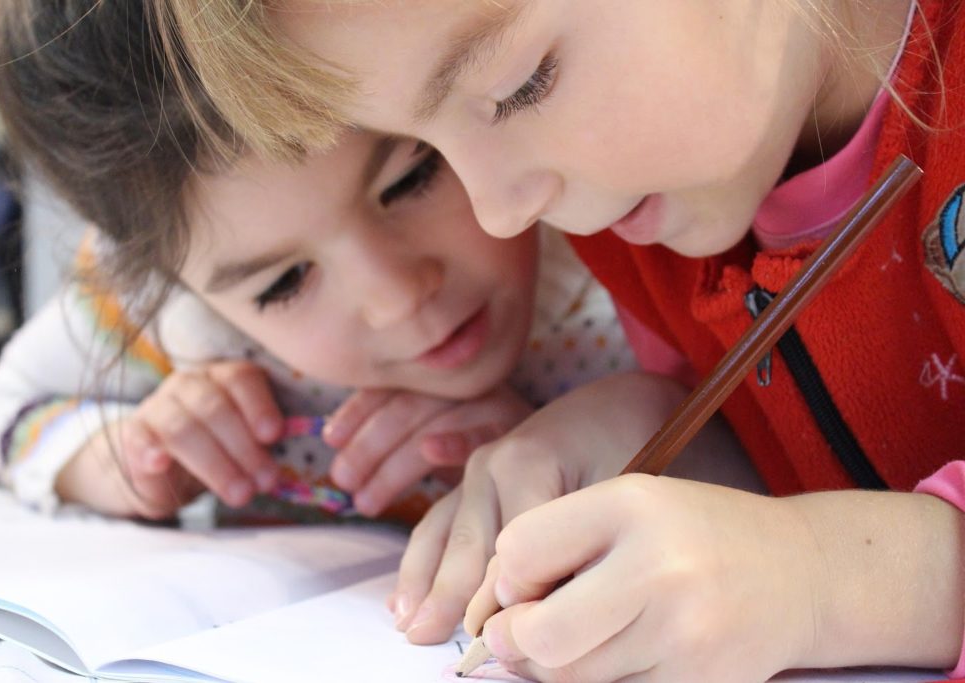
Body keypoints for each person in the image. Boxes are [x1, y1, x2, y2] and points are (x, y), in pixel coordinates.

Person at [148, 0, 965, 680]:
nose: (500, 212)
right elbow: (821, 460)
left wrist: (818, 580)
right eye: (429, 148)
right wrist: (660, 434)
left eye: (518, 87)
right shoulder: (642, 216)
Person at [0, 0, 645, 530]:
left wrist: (593, 440)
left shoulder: (618, 232)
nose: (396, 297)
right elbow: (14, 405)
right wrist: (123, 455)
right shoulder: (172, 318)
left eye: (412, 179)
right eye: (284, 283)